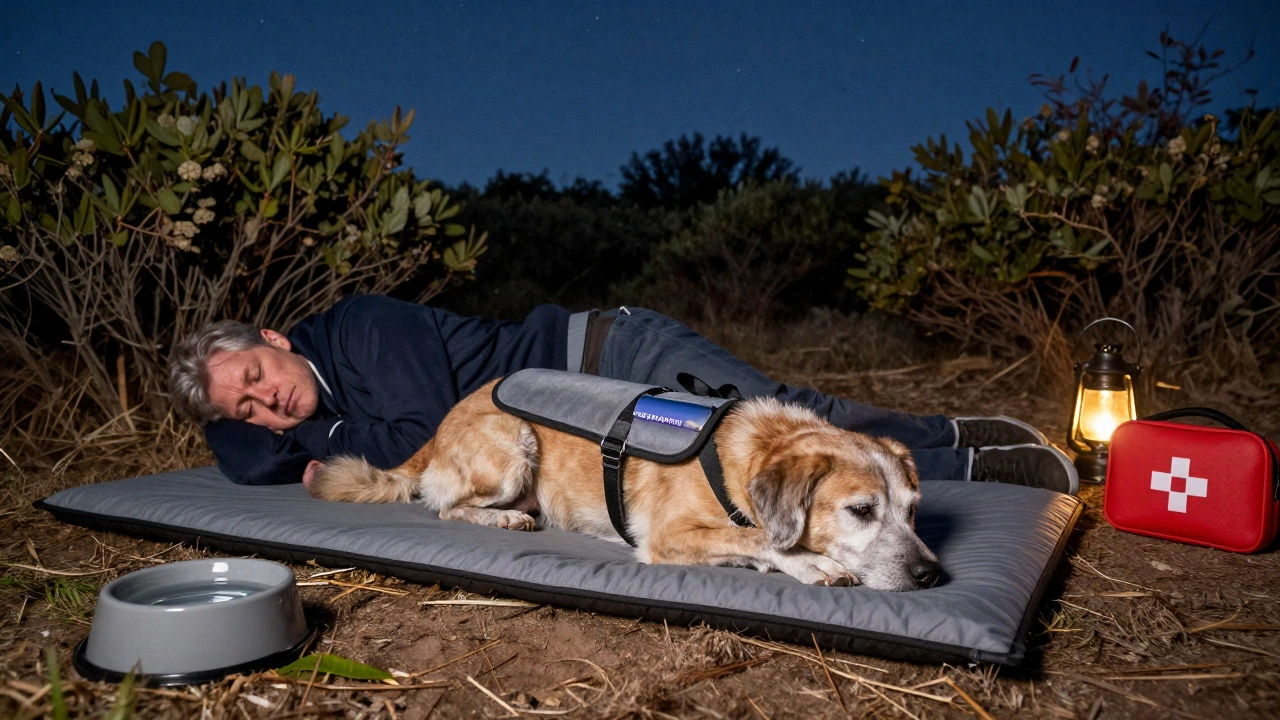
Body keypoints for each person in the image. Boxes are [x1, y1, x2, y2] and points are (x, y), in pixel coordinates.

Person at [167, 294, 1079, 494]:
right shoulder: (275, 409)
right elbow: (244, 464)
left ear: (274, 341)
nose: (265, 407)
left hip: (614, 352)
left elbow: (410, 442)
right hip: (587, 415)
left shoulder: (364, 328)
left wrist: (320, 435)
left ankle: (966, 450)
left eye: (255, 379)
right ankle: (958, 444)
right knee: (749, 452)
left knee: (794, 421)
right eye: (242, 406)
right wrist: (259, 432)